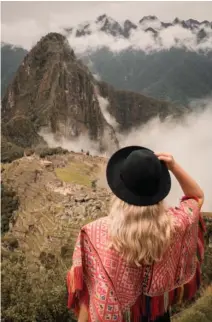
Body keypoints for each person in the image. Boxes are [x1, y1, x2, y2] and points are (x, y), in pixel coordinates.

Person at [67, 146, 206, 322]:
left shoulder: (94, 234)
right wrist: (174, 166)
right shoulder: (173, 226)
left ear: (119, 189)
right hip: (158, 316)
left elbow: (89, 291)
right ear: (158, 190)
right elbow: (196, 197)